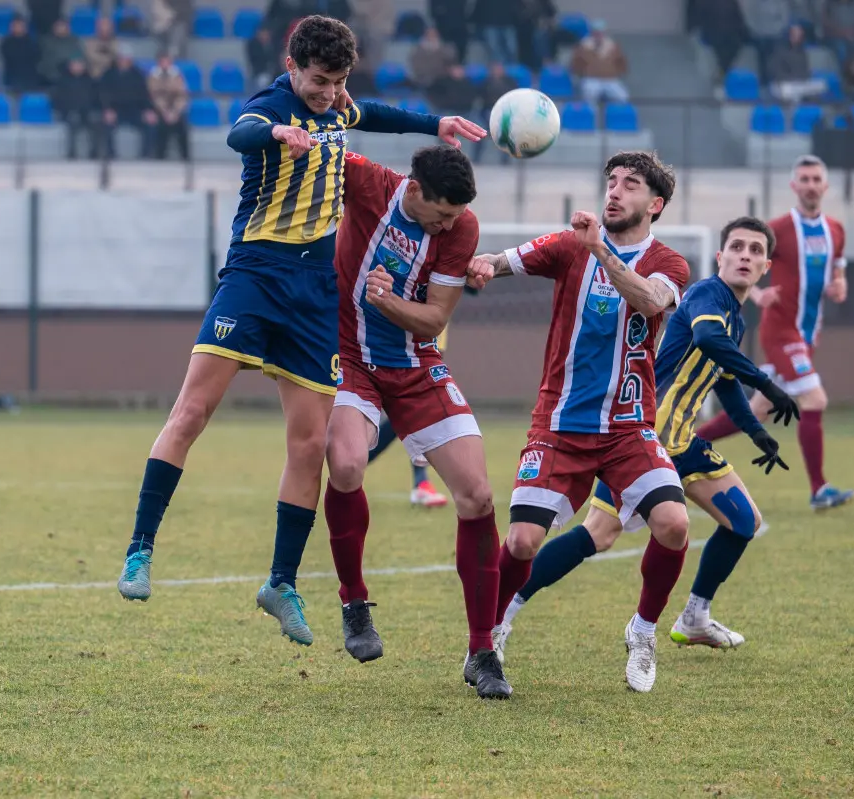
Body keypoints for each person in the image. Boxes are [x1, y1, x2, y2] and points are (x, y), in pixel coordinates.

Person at [114, 16, 486, 646]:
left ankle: (281, 583)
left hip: (315, 293)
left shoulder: (338, 107)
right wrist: (279, 128)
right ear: (292, 66)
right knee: (193, 412)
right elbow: (241, 131)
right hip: (256, 274)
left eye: (337, 81)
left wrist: (436, 125)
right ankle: (140, 549)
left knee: (310, 447)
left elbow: (375, 113)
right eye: (318, 81)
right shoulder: (272, 105)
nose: (328, 93)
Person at [495, 217, 801, 658]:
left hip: (683, 442)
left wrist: (756, 432)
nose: (745, 256)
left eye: (755, 251)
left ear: (766, 265)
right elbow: (709, 340)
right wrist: (768, 386)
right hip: (641, 437)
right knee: (597, 535)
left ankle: (694, 617)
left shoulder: (735, 318)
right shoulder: (705, 295)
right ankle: (507, 611)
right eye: (737, 247)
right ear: (720, 257)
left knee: (743, 521)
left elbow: (724, 377)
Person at [471, 151, 692, 693]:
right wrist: (481, 265)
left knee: (674, 524)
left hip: (628, 430)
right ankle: (488, 637)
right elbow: (502, 261)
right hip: (560, 424)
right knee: (522, 541)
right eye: (611, 182)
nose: (615, 191)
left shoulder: (669, 262)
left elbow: (647, 301)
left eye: (631, 185)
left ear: (654, 204)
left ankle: (643, 631)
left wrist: (601, 250)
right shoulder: (570, 247)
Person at [324, 146, 511, 699]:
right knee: (348, 464)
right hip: (346, 357)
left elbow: (433, 319)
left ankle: (483, 652)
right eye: (441, 214)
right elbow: (320, 147)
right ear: (413, 188)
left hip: (415, 364)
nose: (451, 224)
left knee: (477, 495)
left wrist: (385, 303)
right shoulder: (367, 182)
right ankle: (354, 603)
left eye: (457, 216)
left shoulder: (461, 227)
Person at [696, 156, 854, 511]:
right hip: (781, 331)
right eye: (805, 179)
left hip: (808, 334)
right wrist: (757, 293)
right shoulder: (778, 229)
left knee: (757, 411)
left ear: (825, 186)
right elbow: (739, 262)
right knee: (815, 400)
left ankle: (681, 449)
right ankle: (819, 489)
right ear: (794, 186)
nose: (811, 185)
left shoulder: (836, 230)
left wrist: (840, 284)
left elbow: (839, 264)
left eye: (817, 178)